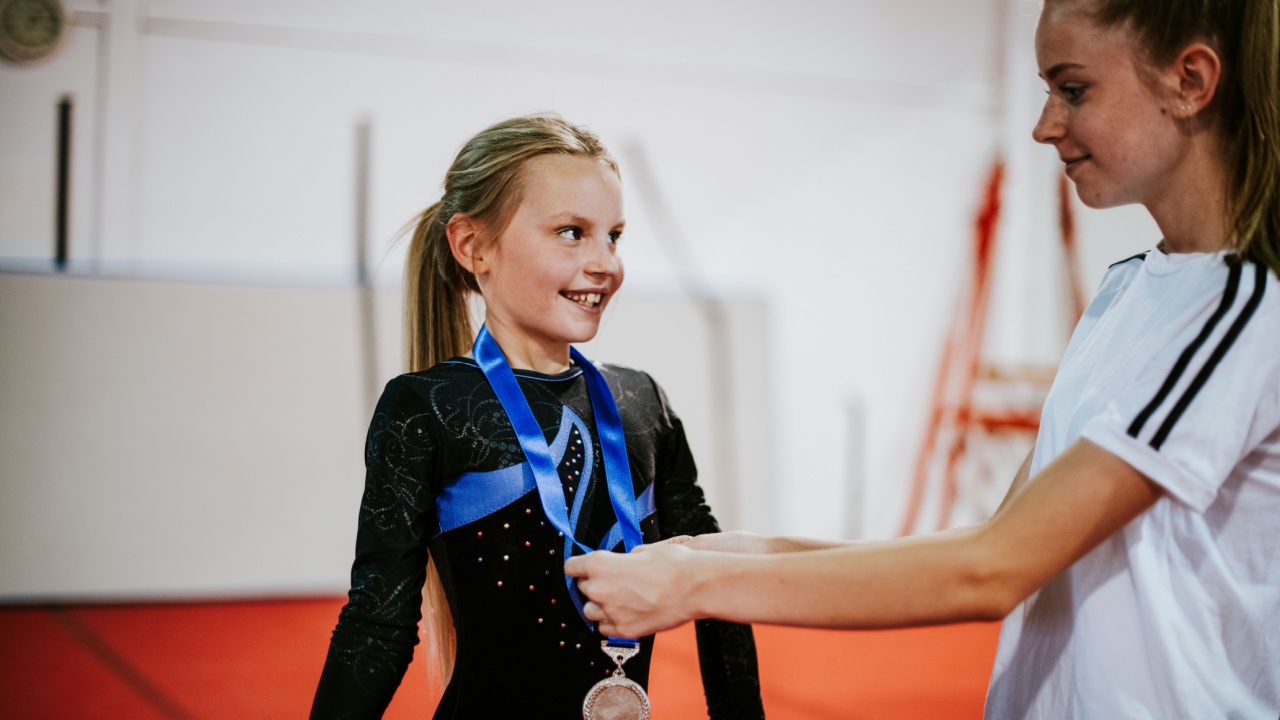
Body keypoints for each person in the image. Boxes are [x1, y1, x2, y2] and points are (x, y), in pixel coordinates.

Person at [566, 1, 1280, 717]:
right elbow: (996, 537)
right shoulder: (1129, 290)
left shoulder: (1242, 311)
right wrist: (747, 551)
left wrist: (691, 585)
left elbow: (994, 571)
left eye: (1072, 89)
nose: (1043, 125)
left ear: (1190, 81)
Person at [309, 115, 765, 719]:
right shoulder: (429, 408)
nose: (605, 261)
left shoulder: (640, 402)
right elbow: (377, 624)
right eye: (572, 232)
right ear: (474, 246)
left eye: (615, 235)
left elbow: (719, 590)